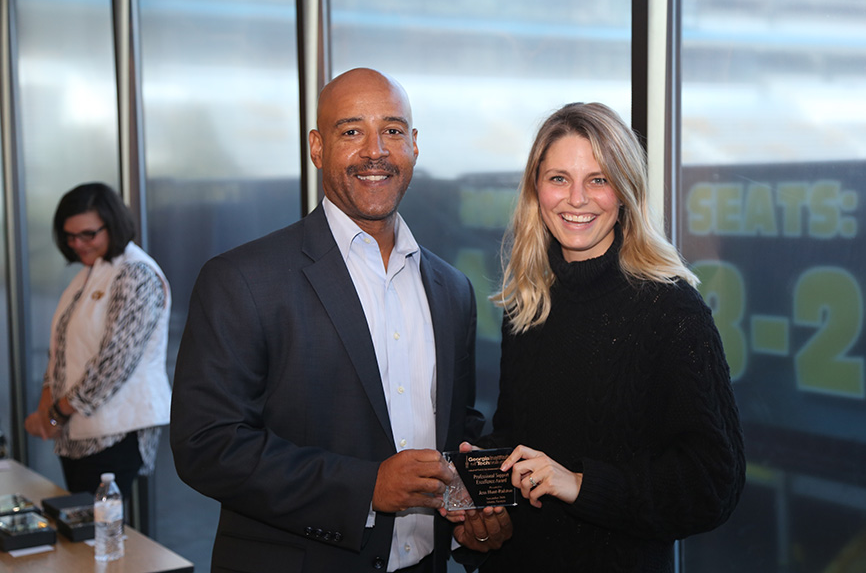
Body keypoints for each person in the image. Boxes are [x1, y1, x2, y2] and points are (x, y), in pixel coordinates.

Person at [170, 68, 510, 573]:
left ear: (414, 146)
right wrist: (365, 487)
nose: (375, 150)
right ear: (317, 146)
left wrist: (472, 511)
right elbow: (206, 445)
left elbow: (457, 425)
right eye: (352, 131)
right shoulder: (241, 279)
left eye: (392, 131)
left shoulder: (452, 288)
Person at [475, 102, 745, 572]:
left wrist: (581, 485)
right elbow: (524, 436)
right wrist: (478, 481)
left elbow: (714, 483)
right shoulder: (528, 300)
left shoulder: (670, 308)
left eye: (598, 180)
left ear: (624, 192)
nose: (576, 199)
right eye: (559, 178)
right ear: (536, 190)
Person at [24, 182, 172, 502]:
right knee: (83, 537)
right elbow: (60, 350)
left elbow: (113, 364)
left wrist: (55, 415)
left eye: (88, 234)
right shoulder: (90, 272)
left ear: (113, 224)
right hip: (76, 430)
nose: (78, 244)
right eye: (70, 236)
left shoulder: (136, 274)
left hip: (115, 433)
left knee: (100, 537)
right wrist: (48, 407)